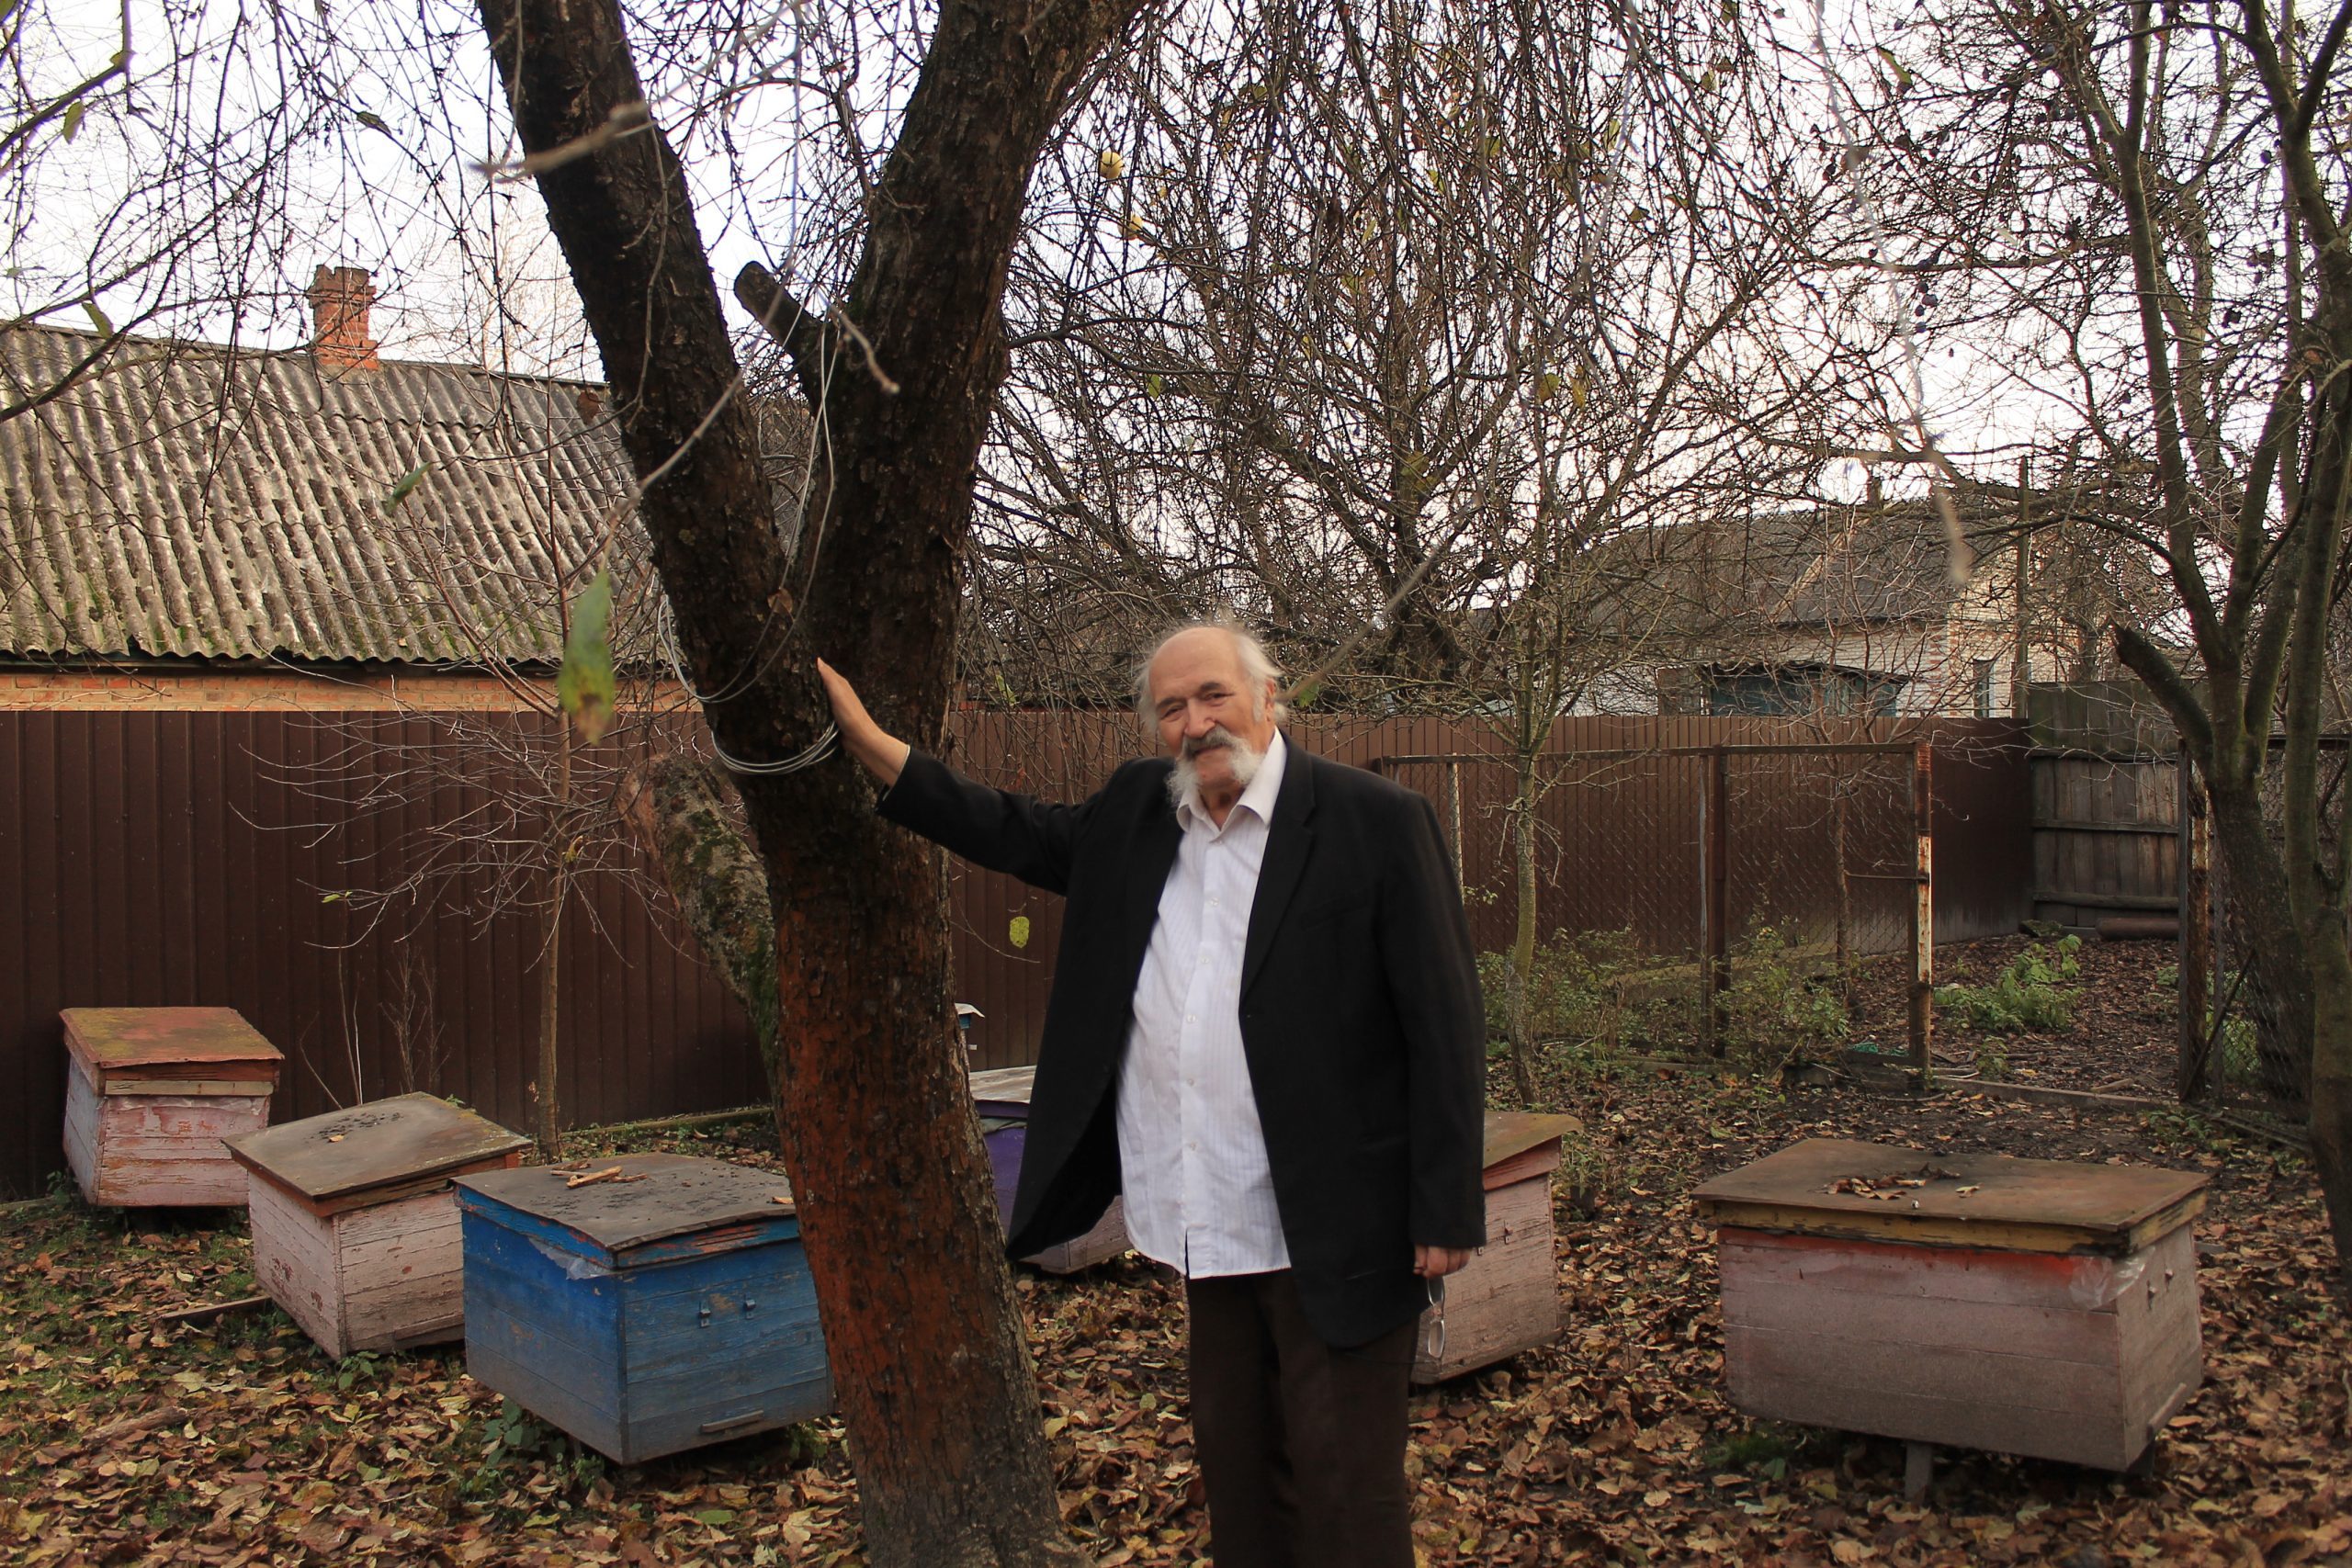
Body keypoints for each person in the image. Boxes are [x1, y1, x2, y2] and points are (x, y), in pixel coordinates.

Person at [815, 622, 1486, 1568]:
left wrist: (1445, 1205)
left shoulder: (1373, 820)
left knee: (1347, 1499)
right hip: (1205, 1221)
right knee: (1241, 1486)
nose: (1195, 723)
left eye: (1213, 695)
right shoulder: (1139, 814)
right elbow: (1009, 827)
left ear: (1267, 696)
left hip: (1342, 1226)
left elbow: (1443, 1020)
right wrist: (866, 742)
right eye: (1171, 708)